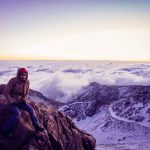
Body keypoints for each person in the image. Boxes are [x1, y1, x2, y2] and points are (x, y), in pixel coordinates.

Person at [1, 68, 44, 138]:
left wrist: (24, 99)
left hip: (21, 101)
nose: (23, 76)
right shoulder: (13, 81)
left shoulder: (27, 82)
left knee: (31, 110)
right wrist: (11, 101)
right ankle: (5, 129)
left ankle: (36, 126)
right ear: (18, 74)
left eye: (25, 74)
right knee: (17, 114)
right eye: (21, 74)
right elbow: (6, 92)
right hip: (12, 102)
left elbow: (27, 93)